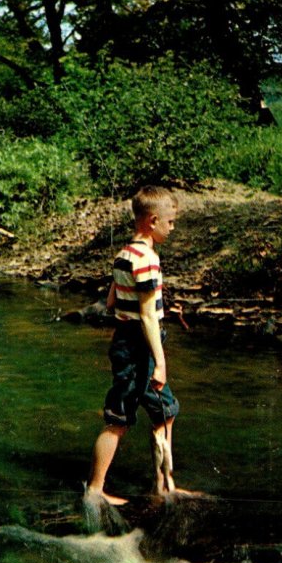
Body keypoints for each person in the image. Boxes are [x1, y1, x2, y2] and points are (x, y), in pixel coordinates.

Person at [87, 185, 189, 505]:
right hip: (140, 346)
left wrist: (156, 304)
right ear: (153, 221)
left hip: (127, 340)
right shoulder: (147, 259)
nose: (172, 228)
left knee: (165, 411)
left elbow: (111, 300)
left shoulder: (124, 255)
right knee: (118, 419)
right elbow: (146, 317)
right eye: (170, 222)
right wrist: (160, 362)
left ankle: (164, 483)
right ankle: (95, 489)